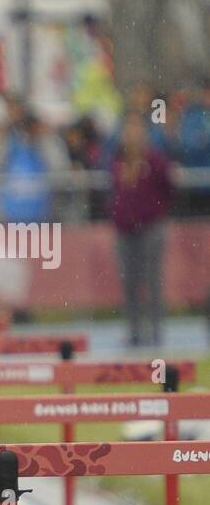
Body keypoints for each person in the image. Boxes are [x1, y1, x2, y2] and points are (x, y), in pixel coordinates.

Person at [110, 110, 175, 348]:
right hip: (125, 229)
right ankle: (134, 330)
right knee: (129, 281)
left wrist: (153, 212)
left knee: (153, 280)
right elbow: (116, 193)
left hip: (150, 227)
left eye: (137, 129)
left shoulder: (155, 160)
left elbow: (169, 189)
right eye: (128, 129)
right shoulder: (117, 161)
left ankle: (156, 330)